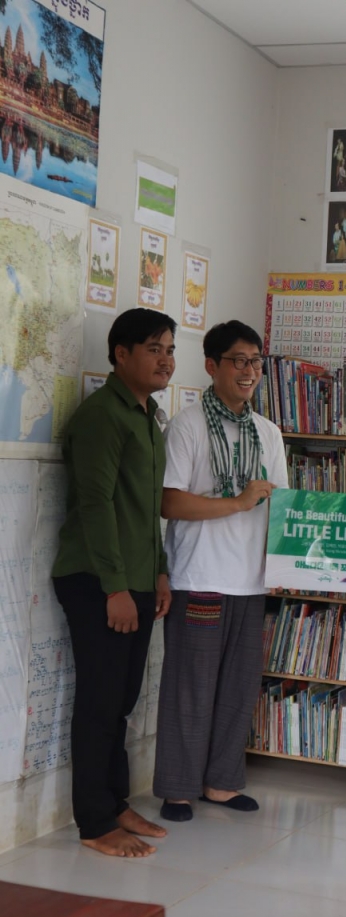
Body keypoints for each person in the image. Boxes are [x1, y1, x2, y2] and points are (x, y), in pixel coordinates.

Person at [52, 308, 177, 857]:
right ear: (120, 354)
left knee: (123, 699)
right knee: (100, 701)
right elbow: (97, 505)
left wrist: (160, 570)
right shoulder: (103, 416)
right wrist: (115, 588)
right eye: (153, 348)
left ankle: (117, 800)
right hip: (97, 579)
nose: (166, 359)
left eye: (170, 348)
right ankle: (94, 822)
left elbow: (147, 510)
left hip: (136, 577)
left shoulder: (146, 417)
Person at [153, 320, 287, 822]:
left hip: (250, 581)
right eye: (239, 361)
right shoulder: (186, 425)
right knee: (191, 686)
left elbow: (281, 508)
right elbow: (168, 501)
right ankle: (178, 788)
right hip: (199, 577)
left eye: (256, 361)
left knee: (238, 687)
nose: (250, 371)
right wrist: (235, 503)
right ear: (212, 366)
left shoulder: (268, 432)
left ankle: (223, 783)